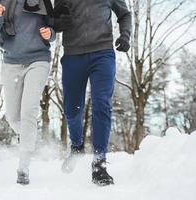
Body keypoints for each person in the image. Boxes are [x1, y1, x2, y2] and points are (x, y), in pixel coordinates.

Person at [53, 0, 132, 186]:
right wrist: (57, 21)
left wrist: (125, 36)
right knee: (71, 110)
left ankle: (99, 164)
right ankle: (77, 146)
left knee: (101, 103)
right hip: (73, 55)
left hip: (102, 53)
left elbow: (125, 14)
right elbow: (53, 22)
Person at [0, 0, 55, 185]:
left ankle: (23, 167)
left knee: (28, 111)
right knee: (13, 117)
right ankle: (29, 139)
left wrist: (50, 34)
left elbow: (53, 27)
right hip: (11, 62)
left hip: (38, 59)